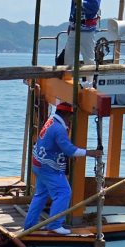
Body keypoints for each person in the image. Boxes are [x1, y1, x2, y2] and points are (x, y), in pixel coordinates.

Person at [22, 99, 85, 231]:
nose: (72, 119)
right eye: (71, 116)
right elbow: (70, 150)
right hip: (49, 168)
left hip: (39, 164)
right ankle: (55, 225)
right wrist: (90, 153)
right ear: (66, 115)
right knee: (64, 193)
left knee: (41, 194)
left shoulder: (50, 122)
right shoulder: (58, 129)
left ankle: (29, 225)